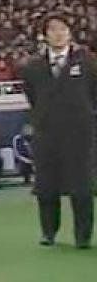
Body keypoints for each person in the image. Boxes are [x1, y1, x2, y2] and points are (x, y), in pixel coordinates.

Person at [21, 13, 97, 248]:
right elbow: (32, 96)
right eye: (53, 30)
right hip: (47, 133)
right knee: (46, 187)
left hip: (79, 134)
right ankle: (48, 232)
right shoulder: (33, 66)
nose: (58, 34)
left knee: (81, 188)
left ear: (70, 33)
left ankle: (82, 236)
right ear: (45, 35)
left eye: (63, 29)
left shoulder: (87, 61)